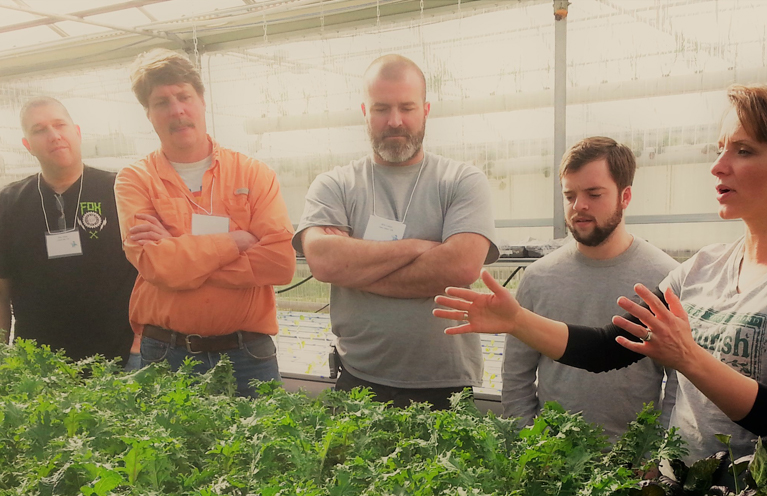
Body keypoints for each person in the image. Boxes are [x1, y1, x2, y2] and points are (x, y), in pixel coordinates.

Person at [435, 83, 767, 463]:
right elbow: (608, 349)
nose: (719, 165)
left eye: (744, 150)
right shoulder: (702, 268)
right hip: (686, 495)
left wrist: (688, 358)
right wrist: (517, 321)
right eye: (721, 148)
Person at [294, 54, 498, 410]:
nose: (394, 121)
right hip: (359, 378)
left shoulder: (462, 181)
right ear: (364, 112)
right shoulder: (335, 184)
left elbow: (461, 267)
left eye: (407, 107)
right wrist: (420, 247)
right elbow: (324, 262)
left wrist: (355, 270)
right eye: (381, 108)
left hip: (445, 382)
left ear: (426, 109)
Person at [115, 49, 296, 397]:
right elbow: (155, 264)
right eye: (161, 101)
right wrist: (235, 242)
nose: (177, 110)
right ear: (149, 114)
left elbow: (280, 263)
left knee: (258, 450)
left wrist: (181, 256)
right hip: (166, 353)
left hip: (248, 354)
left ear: (201, 100)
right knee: (170, 450)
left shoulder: (253, 173)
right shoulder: (134, 179)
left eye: (184, 96)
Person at [502, 137, 677, 435]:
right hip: (551, 461)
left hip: (634, 464)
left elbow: (678, 381)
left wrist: (657, 455)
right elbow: (516, 374)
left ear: (625, 197)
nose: (579, 206)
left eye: (594, 194)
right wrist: (527, 440)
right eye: (569, 196)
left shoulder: (665, 277)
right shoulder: (538, 278)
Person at [0, 97, 138, 367]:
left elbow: (151, 272)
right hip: (40, 364)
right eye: (39, 130)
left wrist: (144, 342)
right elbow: (1, 291)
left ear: (77, 132)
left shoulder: (121, 189)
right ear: (27, 146)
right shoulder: (8, 203)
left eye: (59, 125)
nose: (54, 136)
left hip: (119, 358)